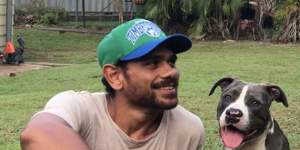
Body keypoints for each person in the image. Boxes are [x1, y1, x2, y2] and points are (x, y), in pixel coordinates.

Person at [20, 18, 205, 150]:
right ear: (114, 76)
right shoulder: (81, 108)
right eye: (152, 63)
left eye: (171, 61)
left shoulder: (187, 129)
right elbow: (38, 133)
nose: (170, 71)